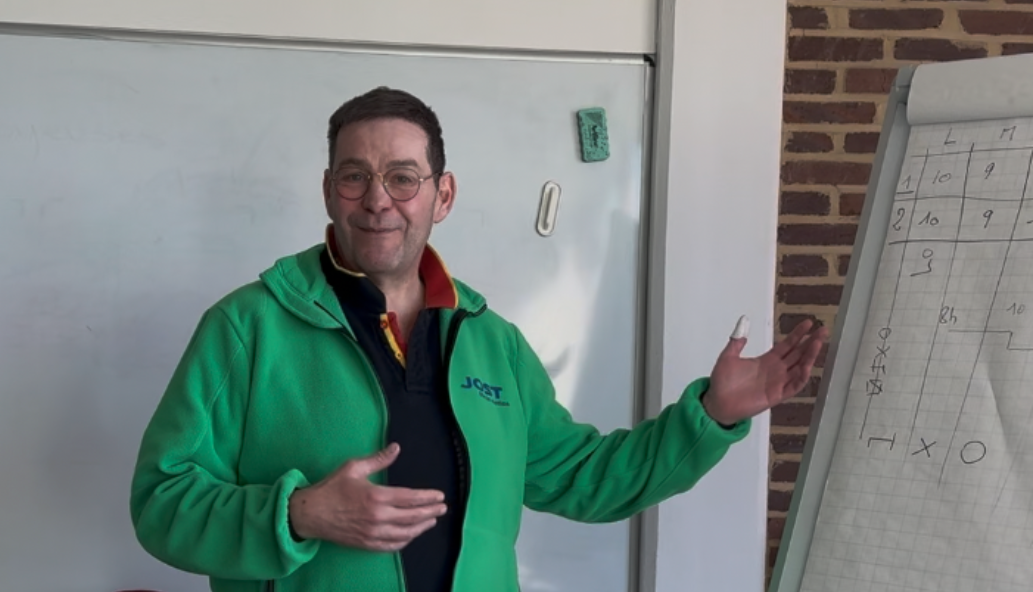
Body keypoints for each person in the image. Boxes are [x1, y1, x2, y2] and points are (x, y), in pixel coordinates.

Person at [129, 86, 826, 592]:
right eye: (354, 176)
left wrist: (712, 416)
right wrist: (300, 513)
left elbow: (588, 481)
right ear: (327, 191)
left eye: (403, 178)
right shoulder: (247, 328)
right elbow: (161, 503)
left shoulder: (493, 344)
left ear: (443, 195)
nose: (378, 200)